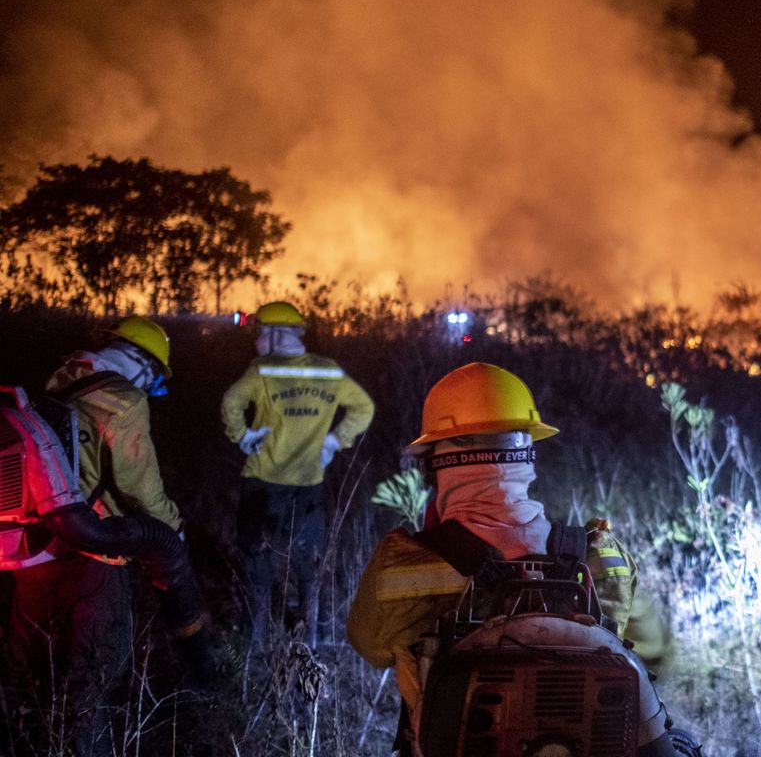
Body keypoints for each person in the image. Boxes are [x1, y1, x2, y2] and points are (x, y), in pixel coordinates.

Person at [347, 362, 685, 753]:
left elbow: (368, 645)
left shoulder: (401, 566)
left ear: (435, 465)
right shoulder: (603, 555)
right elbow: (652, 649)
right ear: (527, 455)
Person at [5, 316, 213, 756]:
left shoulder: (59, 379)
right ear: (143, 364)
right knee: (90, 681)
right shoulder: (124, 397)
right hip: (94, 561)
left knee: (26, 679)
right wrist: (172, 533)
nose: (153, 390)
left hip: (35, 554)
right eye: (156, 380)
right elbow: (141, 488)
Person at [221, 301, 373, 644]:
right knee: (309, 559)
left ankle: (254, 640)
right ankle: (312, 639)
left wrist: (243, 437)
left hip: (262, 481)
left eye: (260, 332)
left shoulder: (262, 370)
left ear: (276, 334)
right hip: (308, 483)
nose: (257, 340)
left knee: (256, 557)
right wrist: (335, 442)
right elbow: (364, 407)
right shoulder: (329, 371)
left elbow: (231, 402)